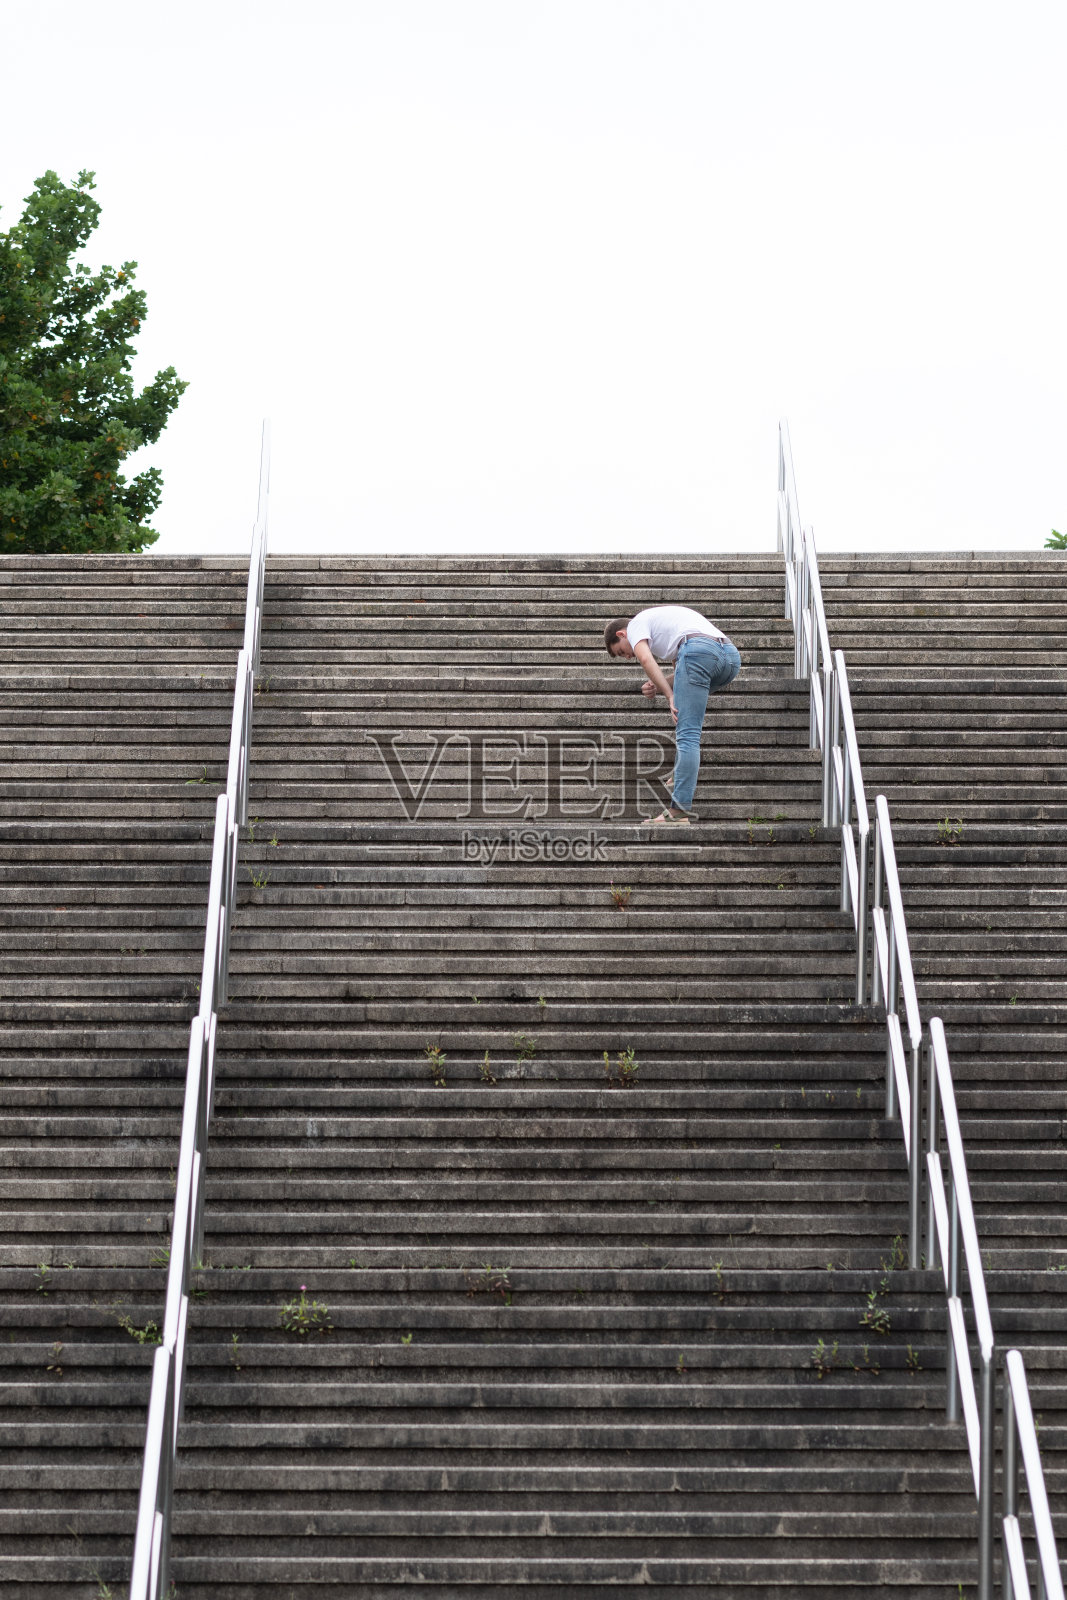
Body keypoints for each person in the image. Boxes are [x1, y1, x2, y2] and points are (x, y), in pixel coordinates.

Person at [604, 605, 741, 825]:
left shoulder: (636, 625)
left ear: (622, 634)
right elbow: (683, 672)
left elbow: (646, 660)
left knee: (688, 734)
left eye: (622, 651)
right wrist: (658, 686)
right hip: (730, 659)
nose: (628, 657)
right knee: (688, 727)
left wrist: (669, 695)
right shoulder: (667, 626)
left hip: (698, 652)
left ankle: (678, 812)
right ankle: (681, 772)